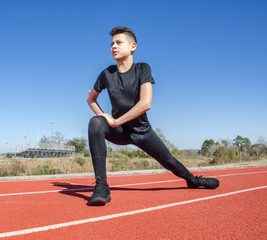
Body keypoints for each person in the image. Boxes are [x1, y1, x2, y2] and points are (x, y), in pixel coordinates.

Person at [86, 26, 219, 206]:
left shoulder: (142, 69)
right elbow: (91, 99)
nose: (113, 47)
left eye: (118, 42)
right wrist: (104, 116)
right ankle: (102, 187)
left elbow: (145, 103)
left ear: (133, 46)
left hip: (143, 132)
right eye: (111, 44)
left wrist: (116, 120)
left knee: (170, 161)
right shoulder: (107, 74)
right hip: (121, 132)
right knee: (96, 123)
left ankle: (194, 181)